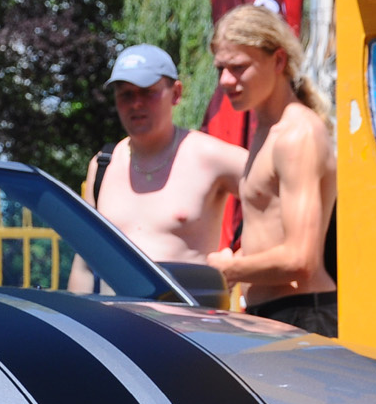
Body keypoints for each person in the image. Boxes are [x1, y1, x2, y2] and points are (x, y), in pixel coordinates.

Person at [68, 45, 249, 294]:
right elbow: (85, 264)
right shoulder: (103, 164)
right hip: (116, 324)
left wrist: (241, 262)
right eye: (126, 94)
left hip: (187, 326)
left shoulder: (211, 156)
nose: (136, 103)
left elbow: (280, 202)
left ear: (176, 93)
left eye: (147, 92)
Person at [204, 4, 338, 337]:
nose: (225, 80)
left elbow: (300, 258)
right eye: (221, 68)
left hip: (303, 313)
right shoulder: (268, 130)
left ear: (278, 61)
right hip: (276, 313)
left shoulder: (297, 135)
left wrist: (230, 269)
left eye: (238, 68)